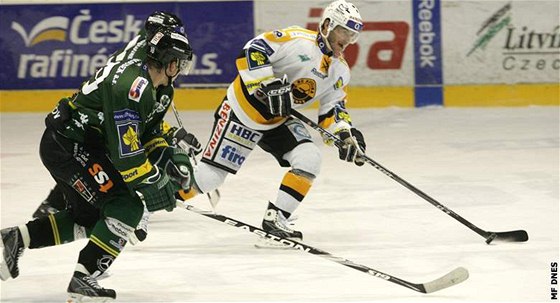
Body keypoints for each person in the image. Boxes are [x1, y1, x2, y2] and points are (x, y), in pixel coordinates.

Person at [0, 27, 195, 302]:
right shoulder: (132, 88)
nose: (182, 68)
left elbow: (147, 133)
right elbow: (127, 157)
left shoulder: (158, 86)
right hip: (70, 145)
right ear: (168, 60)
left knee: (91, 218)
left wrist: (170, 158)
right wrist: (154, 182)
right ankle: (83, 280)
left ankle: (19, 237)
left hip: (77, 142)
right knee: (127, 208)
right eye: (180, 61)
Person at [185, 0, 366, 242]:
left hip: (279, 119)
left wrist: (344, 134)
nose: (348, 40)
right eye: (344, 32)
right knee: (208, 179)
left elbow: (332, 109)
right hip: (243, 111)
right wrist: (266, 83)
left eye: (352, 35)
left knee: (309, 159)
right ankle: (145, 203)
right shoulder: (296, 40)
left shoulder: (340, 71)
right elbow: (252, 50)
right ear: (327, 25)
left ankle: (277, 218)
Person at [30, 11, 202, 245]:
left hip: (90, 123)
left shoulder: (146, 47)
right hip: (88, 125)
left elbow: (143, 112)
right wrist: (167, 136)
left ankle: (55, 206)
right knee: (114, 179)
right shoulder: (134, 77)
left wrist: (165, 131)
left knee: (96, 166)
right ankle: (72, 209)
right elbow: (134, 129)